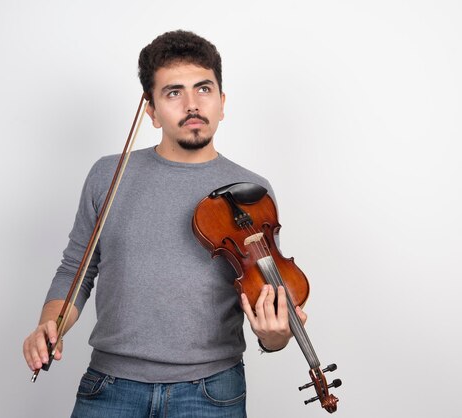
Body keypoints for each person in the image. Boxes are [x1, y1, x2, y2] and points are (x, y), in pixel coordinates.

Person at [22, 30, 307, 418]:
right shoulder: (108, 175)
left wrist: (275, 338)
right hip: (110, 386)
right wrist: (48, 325)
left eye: (203, 89)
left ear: (222, 103)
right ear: (151, 110)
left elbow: (264, 297)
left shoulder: (253, 192)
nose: (192, 104)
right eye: (174, 93)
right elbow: (77, 269)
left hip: (212, 392)